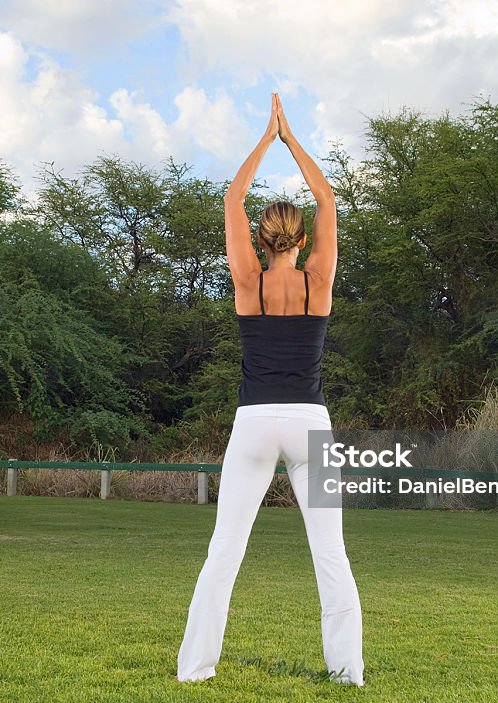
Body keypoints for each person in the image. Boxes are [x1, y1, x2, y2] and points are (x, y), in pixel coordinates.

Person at [176, 94, 365, 686]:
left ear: (260, 237)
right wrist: (292, 138)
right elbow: (328, 198)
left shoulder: (247, 283)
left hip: (255, 424)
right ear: (303, 237)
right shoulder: (319, 283)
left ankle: (195, 667)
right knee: (330, 554)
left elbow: (232, 196)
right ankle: (347, 672)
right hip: (312, 424)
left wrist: (264, 138)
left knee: (225, 549)